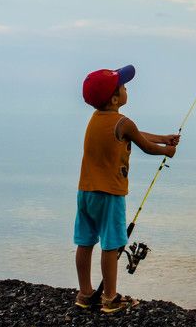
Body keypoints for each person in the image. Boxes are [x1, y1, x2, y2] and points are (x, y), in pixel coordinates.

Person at [73, 64, 180, 313]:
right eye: (122, 86)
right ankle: (110, 298)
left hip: (85, 192)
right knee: (111, 245)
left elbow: (133, 135)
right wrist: (167, 151)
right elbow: (144, 145)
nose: (125, 88)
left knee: (85, 242)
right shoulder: (124, 122)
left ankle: (85, 293)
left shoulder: (97, 119)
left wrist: (163, 137)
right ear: (114, 98)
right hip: (109, 194)